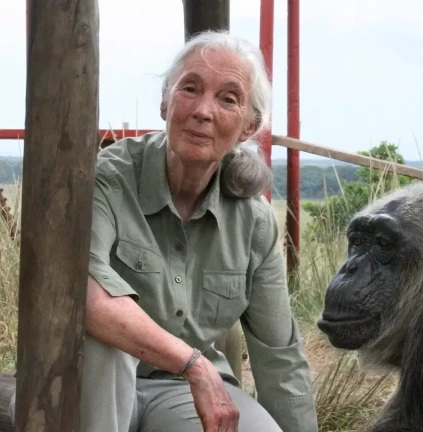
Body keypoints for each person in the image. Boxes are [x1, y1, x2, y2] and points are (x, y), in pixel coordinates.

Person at [9, 30, 318, 432]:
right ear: (165, 102)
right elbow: (82, 294)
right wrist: (194, 364)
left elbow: (279, 356)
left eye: (228, 98)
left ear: (248, 125)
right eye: (190, 88)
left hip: (179, 393)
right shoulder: (105, 179)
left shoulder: (253, 221)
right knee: (104, 338)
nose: (203, 111)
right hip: (84, 384)